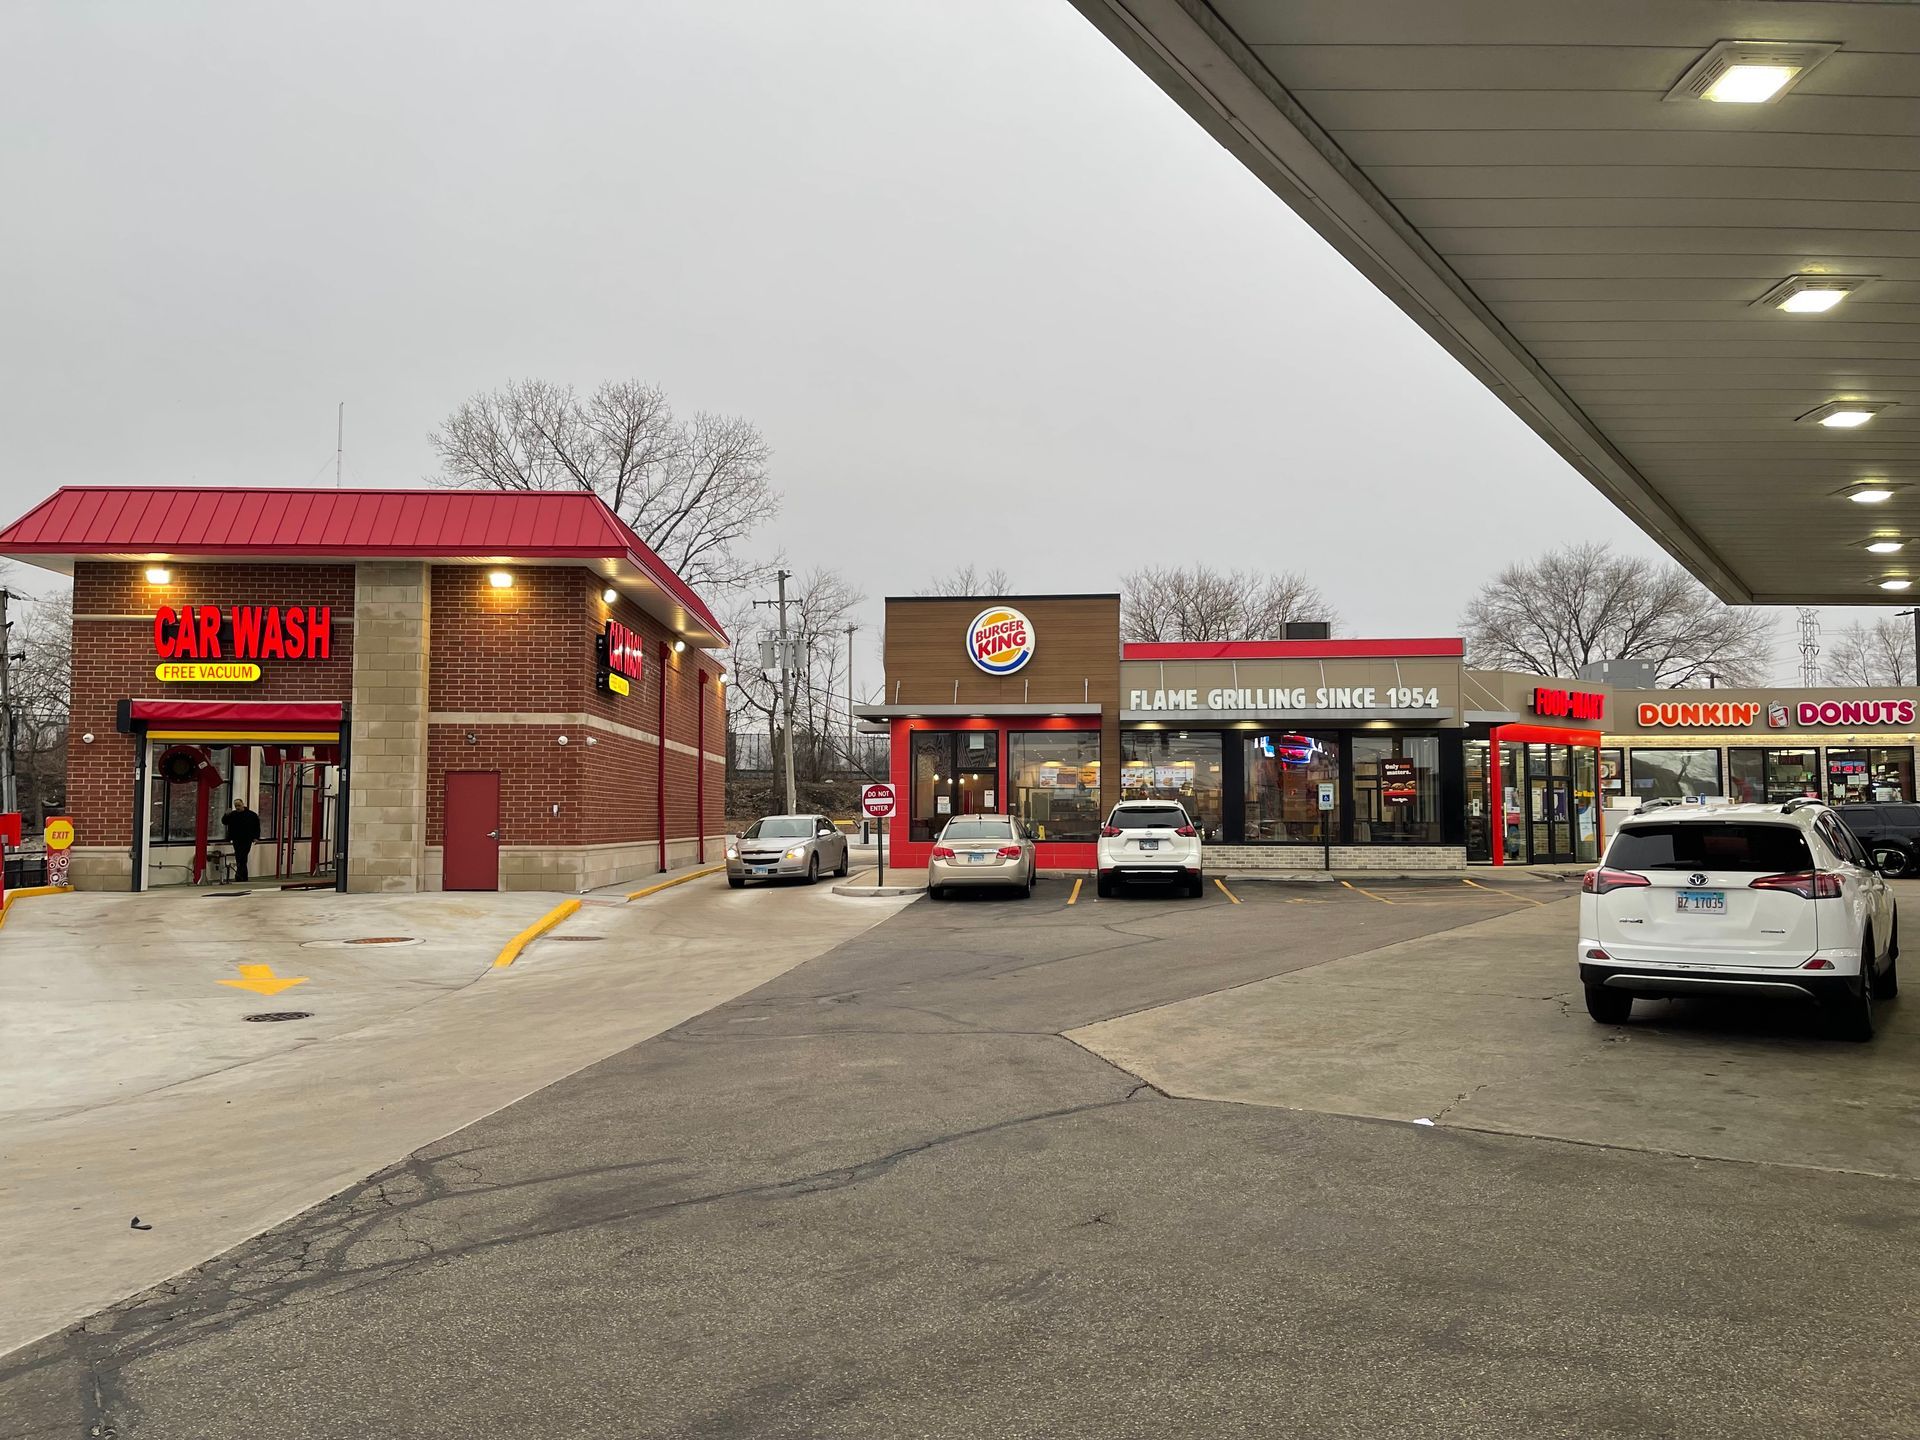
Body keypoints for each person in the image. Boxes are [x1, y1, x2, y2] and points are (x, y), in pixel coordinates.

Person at [221, 797, 262, 881]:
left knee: (242, 856)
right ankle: (242, 876)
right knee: (239, 857)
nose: (237, 807)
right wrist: (226, 815)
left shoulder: (251, 815)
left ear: (243, 804)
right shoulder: (232, 814)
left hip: (247, 839)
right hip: (236, 838)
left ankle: (240, 876)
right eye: (236, 806)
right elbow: (224, 822)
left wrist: (256, 837)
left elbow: (257, 827)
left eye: (239, 805)